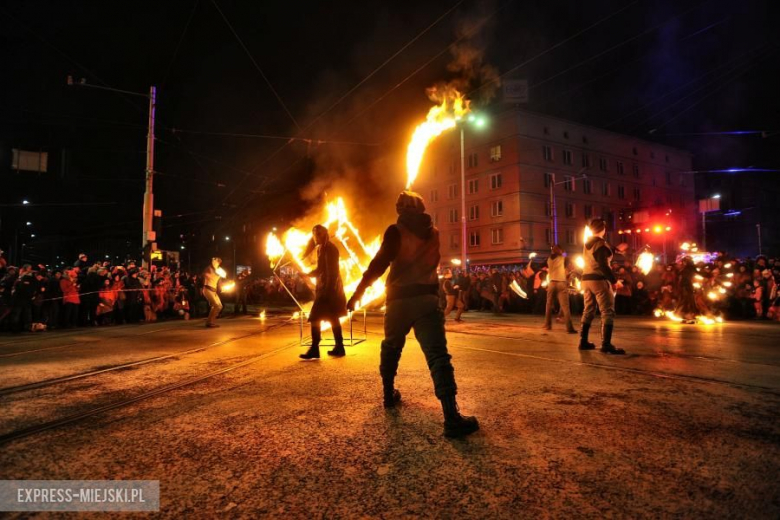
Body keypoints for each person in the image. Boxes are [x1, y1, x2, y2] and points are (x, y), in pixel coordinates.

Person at [347, 190, 479, 438]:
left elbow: (378, 264)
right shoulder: (435, 233)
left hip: (399, 301)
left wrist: (357, 293)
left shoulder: (395, 231)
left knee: (391, 347)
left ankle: (388, 395)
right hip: (427, 301)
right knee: (438, 356)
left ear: (402, 209)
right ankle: (451, 417)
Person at [579, 218, 628, 354]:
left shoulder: (587, 243)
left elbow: (601, 250)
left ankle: (583, 342)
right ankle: (606, 344)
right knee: (607, 311)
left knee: (588, 310)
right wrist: (614, 281)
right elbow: (603, 265)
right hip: (598, 280)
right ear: (603, 230)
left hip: (586, 280)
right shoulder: (600, 244)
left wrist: (616, 250)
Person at [299, 224, 348, 359]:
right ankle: (339, 347)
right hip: (326, 288)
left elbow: (332, 273)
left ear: (324, 234)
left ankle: (315, 348)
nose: (315, 237)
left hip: (329, 289)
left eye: (318, 234)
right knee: (333, 318)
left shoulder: (330, 249)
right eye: (314, 234)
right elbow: (320, 269)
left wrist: (328, 291)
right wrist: (307, 275)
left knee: (315, 317)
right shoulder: (322, 249)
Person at [543, 245, 576, 333]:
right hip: (561, 282)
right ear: (560, 251)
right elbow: (570, 267)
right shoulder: (564, 259)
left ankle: (547, 325)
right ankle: (569, 328)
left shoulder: (549, 259)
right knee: (565, 306)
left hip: (551, 283)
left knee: (549, 305)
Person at [202, 257, 225, 328]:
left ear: (218, 263)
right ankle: (210, 323)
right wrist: (210, 275)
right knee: (216, 305)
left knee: (219, 306)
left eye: (216, 261)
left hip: (214, 291)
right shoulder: (209, 268)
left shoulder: (219, 270)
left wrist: (221, 288)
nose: (213, 262)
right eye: (213, 261)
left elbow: (221, 279)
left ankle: (210, 322)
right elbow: (204, 274)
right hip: (207, 289)